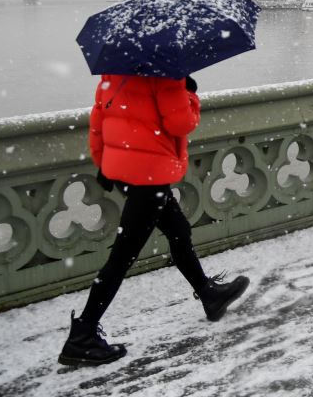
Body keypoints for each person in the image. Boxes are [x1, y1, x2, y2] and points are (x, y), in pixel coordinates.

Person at [58, 74, 251, 367]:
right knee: (123, 255)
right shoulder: (165, 75)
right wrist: (189, 92)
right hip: (149, 174)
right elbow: (182, 124)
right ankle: (82, 335)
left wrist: (103, 164)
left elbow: (98, 122)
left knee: (178, 230)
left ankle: (208, 294)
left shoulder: (113, 73)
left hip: (125, 170)